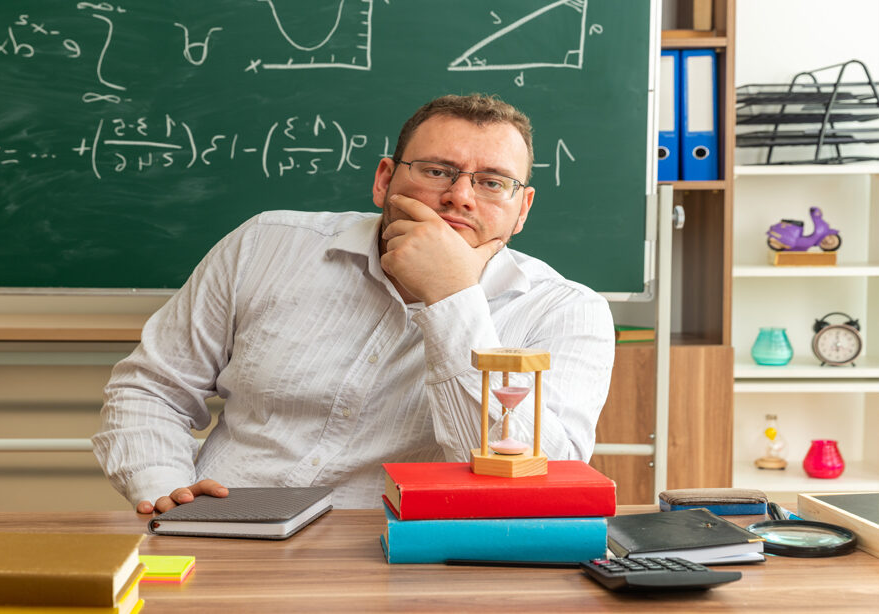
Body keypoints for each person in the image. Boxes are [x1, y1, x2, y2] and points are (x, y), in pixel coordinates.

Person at [92, 94, 615, 513]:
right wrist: (165, 488)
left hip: (400, 549)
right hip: (224, 525)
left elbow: (540, 482)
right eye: (436, 171)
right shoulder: (264, 243)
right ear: (384, 179)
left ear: (521, 209)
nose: (460, 196)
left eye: (492, 182)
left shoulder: (568, 312)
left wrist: (452, 298)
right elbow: (152, 387)